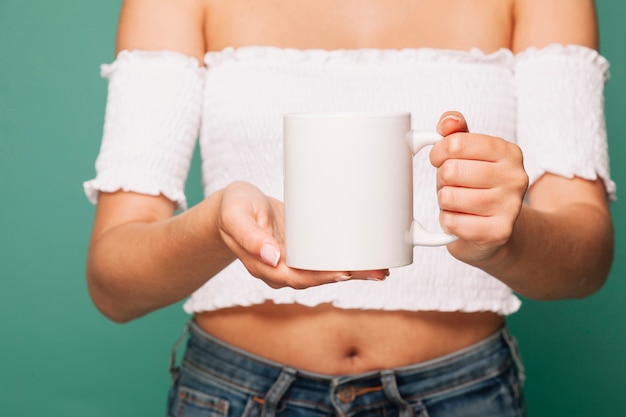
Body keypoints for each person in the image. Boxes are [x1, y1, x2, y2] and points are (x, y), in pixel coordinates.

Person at [84, 0, 615, 415]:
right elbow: (114, 285)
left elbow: (586, 261)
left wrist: (506, 237)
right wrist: (215, 224)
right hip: (235, 394)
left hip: (463, 393)